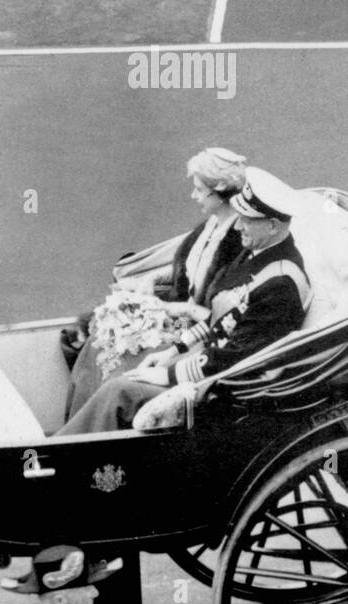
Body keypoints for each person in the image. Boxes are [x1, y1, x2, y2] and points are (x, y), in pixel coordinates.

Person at [57, 168, 311, 434]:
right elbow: (218, 320)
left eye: (246, 219)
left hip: (222, 390)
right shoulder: (259, 253)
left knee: (119, 390)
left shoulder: (281, 284)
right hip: (210, 362)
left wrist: (168, 374)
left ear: (272, 225)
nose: (237, 226)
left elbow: (237, 359)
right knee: (118, 365)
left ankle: (63, 455)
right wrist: (172, 351)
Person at [63, 147, 248, 416]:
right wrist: (152, 279)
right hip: (181, 317)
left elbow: (224, 315)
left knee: (112, 351)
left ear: (219, 190)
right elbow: (185, 272)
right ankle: (79, 427)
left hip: (201, 336)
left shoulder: (241, 240)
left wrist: (178, 310)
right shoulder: (209, 226)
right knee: (98, 336)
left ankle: (93, 428)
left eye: (198, 189)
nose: (193, 195)